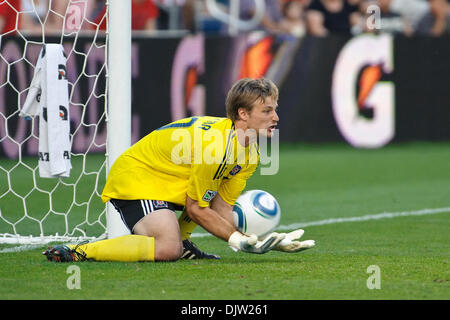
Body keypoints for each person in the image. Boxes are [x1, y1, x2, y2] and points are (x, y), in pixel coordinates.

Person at [43, 78, 315, 263]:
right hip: (138, 176)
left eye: (274, 110)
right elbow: (197, 209)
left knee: (204, 197)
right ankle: (78, 252)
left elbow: (221, 207)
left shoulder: (248, 154)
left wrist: (258, 240)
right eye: (267, 111)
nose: (275, 117)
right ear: (243, 114)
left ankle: (183, 244)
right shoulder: (216, 148)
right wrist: (239, 240)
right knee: (166, 248)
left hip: (166, 181)